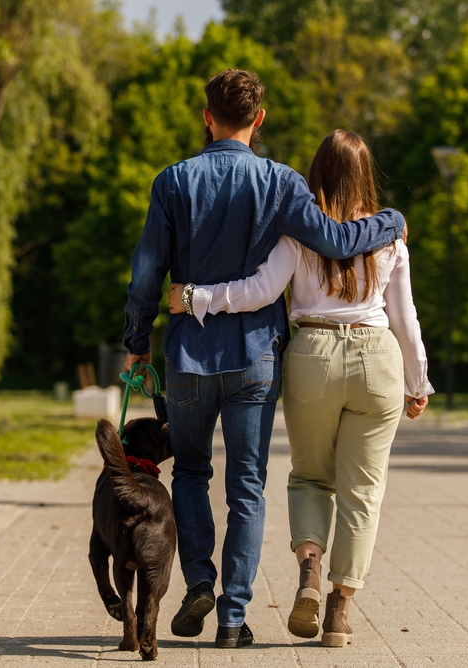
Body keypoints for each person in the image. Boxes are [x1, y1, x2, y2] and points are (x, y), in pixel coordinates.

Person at [122, 70, 404, 649]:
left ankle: (199, 579)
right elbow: (338, 241)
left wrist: (135, 341)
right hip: (255, 358)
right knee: (247, 485)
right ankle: (233, 617)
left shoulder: (173, 182)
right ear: (260, 119)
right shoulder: (281, 183)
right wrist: (392, 221)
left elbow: (147, 271)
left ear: (207, 117)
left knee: (192, 473)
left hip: (189, 357)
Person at [169, 129, 433, 648]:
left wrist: (196, 296)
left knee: (310, 478)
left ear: (316, 173)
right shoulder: (390, 237)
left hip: (312, 357)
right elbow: (406, 319)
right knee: (363, 492)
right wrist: (417, 380)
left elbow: (258, 292)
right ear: (366, 176)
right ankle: (338, 611)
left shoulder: (296, 233)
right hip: (377, 359)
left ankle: (309, 567)